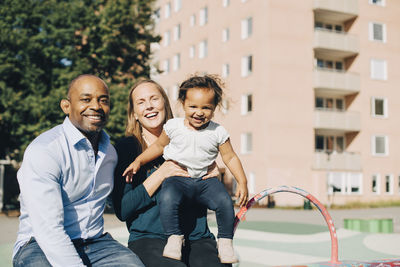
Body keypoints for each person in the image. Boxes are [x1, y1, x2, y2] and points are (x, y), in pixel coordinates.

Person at [12, 75, 144, 267]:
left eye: (103, 100)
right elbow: (49, 230)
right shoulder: (45, 150)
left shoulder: (110, 153)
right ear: (66, 106)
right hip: (39, 244)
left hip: (96, 243)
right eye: (86, 99)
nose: (96, 106)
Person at [123, 75, 248, 264]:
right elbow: (158, 147)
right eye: (141, 102)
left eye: (206, 107)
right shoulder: (172, 128)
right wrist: (139, 161)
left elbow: (230, 157)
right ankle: (174, 236)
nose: (199, 112)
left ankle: (225, 241)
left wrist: (242, 180)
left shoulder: (218, 132)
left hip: (204, 185)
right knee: (168, 197)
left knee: (224, 201)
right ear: (183, 103)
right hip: (177, 184)